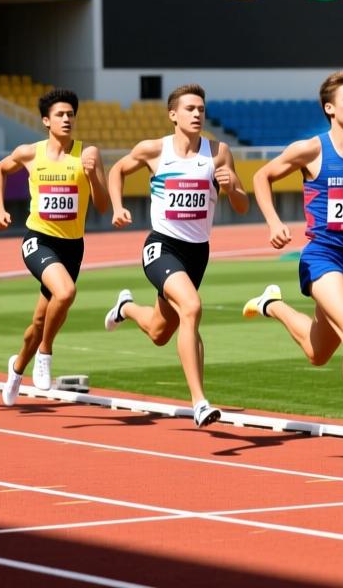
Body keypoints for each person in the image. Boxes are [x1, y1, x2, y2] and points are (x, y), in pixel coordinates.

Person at [244, 71, 343, 466]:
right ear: (330, 108)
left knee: (318, 352)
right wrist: (272, 222)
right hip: (322, 257)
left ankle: (273, 305)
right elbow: (262, 176)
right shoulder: (311, 149)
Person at [105, 84, 249, 428]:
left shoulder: (218, 152)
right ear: (173, 115)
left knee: (159, 332)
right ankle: (199, 401)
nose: (197, 114)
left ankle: (125, 308)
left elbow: (242, 206)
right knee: (192, 307)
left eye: (201, 108)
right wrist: (117, 206)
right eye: (190, 108)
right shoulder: (154, 150)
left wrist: (231, 187)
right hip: (161, 247)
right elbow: (116, 171)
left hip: (197, 253)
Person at [0, 88, 108, 405]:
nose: (67, 119)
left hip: (72, 246)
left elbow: (102, 205)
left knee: (39, 322)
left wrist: (92, 176)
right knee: (66, 293)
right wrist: (1, 209)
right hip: (38, 240)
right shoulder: (31, 153)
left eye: (71, 114)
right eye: (60, 114)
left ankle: (16, 369)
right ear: (46, 120)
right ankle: (45, 353)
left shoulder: (89, 154)